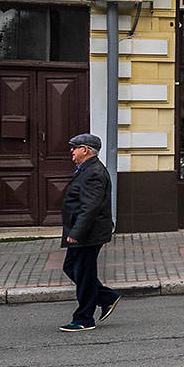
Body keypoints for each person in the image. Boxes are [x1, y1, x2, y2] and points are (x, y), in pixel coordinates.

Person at [60, 133, 120, 332]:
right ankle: (106, 297)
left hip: (88, 233)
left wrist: (76, 232)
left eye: (74, 147)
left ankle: (84, 318)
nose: (72, 151)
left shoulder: (93, 172)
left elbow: (90, 207)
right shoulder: (86, 169)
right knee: (71, 267)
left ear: (85, 150)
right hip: (84, 231)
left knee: (83, 273)